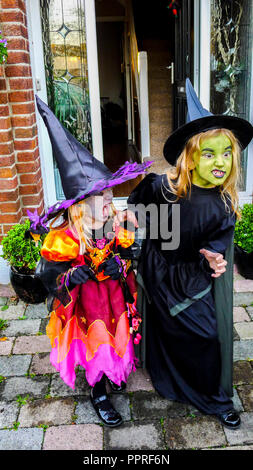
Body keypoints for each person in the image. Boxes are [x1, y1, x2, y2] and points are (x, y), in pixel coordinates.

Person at [128, 79, 253, 429]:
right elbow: (138, 211)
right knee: (164, 326)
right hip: (158, 265)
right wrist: (126, 224)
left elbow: (215, 244)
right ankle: (165, 374)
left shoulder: (224, 205)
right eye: (210, 153)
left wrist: (213, 257)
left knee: (206, 333)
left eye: (226, 153)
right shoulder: (161, 188)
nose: (220, 162)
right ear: (191, 157)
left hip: (190, 274)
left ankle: (213, 398)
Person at [29, 96, 152, 427]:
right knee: (95, 340)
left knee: (118, 334)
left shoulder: (119, 224)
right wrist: (72, 275)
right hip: (87, 304)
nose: (110, 204)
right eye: (103, 199)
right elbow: (48, 275)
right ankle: (98, 389)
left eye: (112, 197)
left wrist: (123, 266)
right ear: (81, 207)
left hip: (114, 297)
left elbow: (132, 253)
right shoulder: (67, 238)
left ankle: (113, 372)